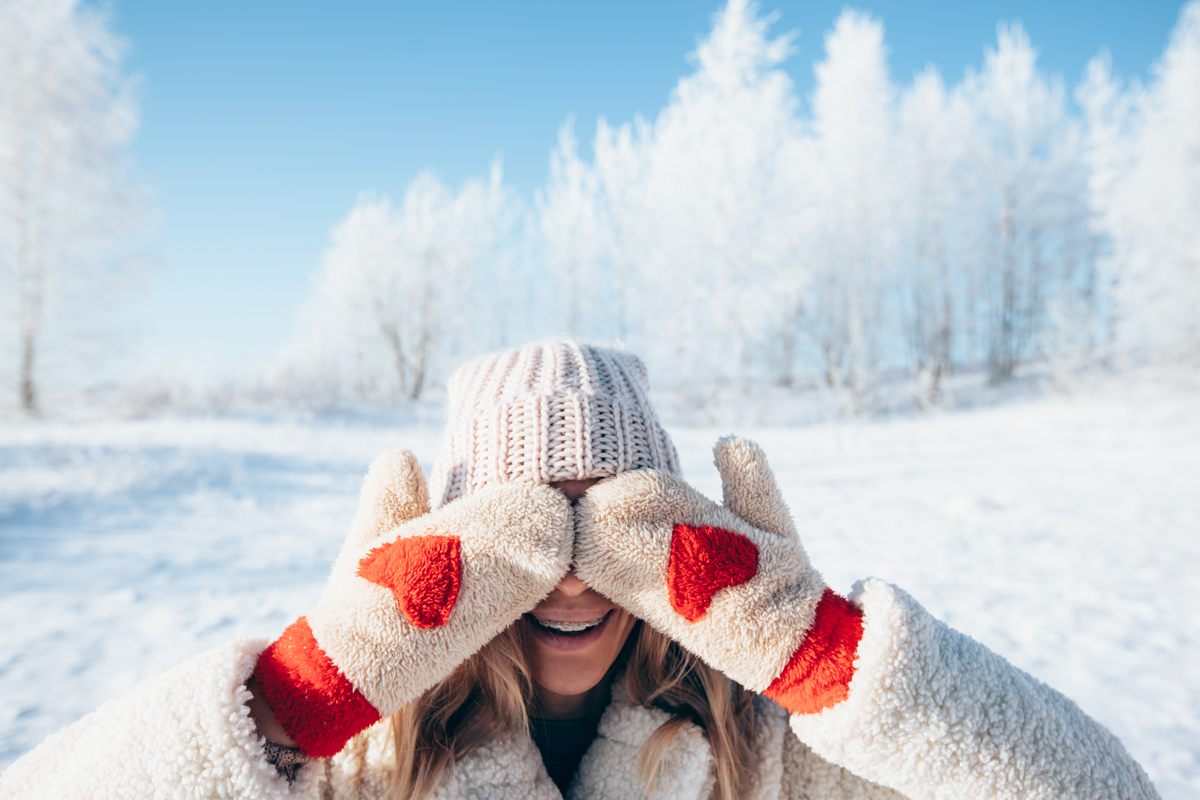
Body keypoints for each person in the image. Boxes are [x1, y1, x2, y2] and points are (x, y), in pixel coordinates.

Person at [0, 339, 1160, 799]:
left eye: (612, 519)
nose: (568, 571)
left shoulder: (769, 746)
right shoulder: (356, 754)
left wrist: (823, 653)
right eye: (526, 524)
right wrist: (302, 689)